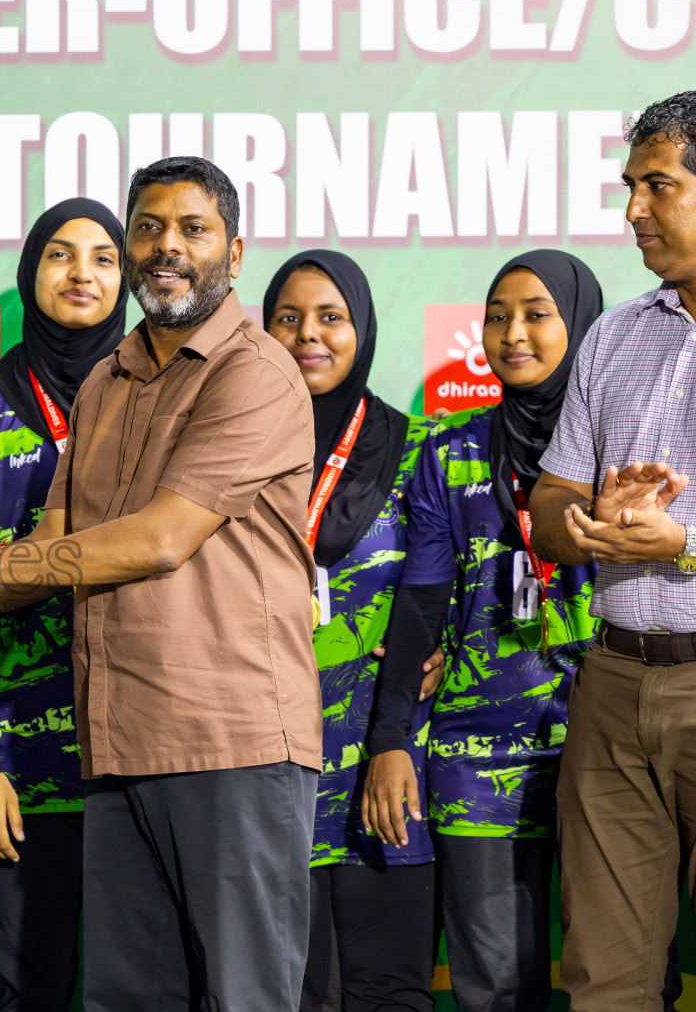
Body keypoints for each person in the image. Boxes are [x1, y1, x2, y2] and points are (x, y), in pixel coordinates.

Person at [0, 156, 320, 1012]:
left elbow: (161, 539)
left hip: (231, 744)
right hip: (119, 744)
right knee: (130, 999)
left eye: (192, 230)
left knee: (244, 998)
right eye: (150, 228)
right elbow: (56, 542)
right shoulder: (108, 379)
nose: (167, 248)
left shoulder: (256, 371)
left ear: (234, 254)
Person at [364, 250, 602, 1012]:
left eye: (536, 313)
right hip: (476, 753)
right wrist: (392, 735)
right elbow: (422, 603)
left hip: (608, 748)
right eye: (497, 315)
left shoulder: (621, 443)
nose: (512, 333)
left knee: (624, 975)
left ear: (583, 324)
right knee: (496, 987)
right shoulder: (449, 451)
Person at [529, 91, 696, 1011]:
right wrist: (589, 521)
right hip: (615, 683)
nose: (634, 209)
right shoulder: (616, 334)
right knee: (604, 982)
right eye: (630, 185)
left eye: (657, 186)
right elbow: (554, 503)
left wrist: (685, 543)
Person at [0, 198, 126, 1012]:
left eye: (103, 258)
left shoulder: (159, 405)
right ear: (29, 276)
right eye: (60, 254)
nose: (82, 273)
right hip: (23, 759)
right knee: (30, 988)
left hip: (145, 752)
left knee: (146, 985)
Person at [260, 251, 439, 1012]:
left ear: (361, 329)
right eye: (289, 317)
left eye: (331, 317)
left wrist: (428, 674)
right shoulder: (230, 453)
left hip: (382, 755)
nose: (310, 336)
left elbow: (439, 593)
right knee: (292, 991)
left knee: (389, 988)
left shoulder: (416, 448)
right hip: (265, 767)